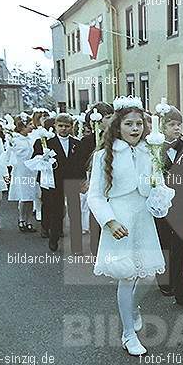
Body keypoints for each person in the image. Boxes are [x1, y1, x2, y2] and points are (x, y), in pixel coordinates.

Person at [87, 97, 167, 356]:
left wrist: (159, 190)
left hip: (143, 217)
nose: (135, 129)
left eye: (139, 124)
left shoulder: (150, 151)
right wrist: (109, 221)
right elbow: (96, 195)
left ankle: (133, 307)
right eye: (129, 124)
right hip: (119, 219)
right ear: (118, 127)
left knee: (149, 274)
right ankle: (128, 334)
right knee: (126, 275)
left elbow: (156, 187)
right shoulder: (104, 156)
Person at [154, 106, 183, 305]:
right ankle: (165, 281)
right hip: (161, 203)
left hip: (182, 202)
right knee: (164, 242)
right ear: (162, 127)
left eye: (179, 124)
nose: (176, 128)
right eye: (171, 124)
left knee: (181, 244)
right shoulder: (153, 147)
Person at [33, 113, 84, 253]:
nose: (63, 129)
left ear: (72, 127)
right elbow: (36, 161)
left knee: (75, 212)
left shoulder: (77, 144)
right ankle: (54, 237)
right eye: (60, 126)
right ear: (55, 126)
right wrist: (43, 159)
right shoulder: (46, 143)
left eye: (67, 126)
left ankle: (76, 244)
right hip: (53, 182)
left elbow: (81, 164)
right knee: (56, 211)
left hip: (72, 181)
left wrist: (82, 181)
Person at [78, 102, 115, 255]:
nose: (111, 120)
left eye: (112, 116)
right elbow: (80, 163)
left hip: (112, 180)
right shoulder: (87, 141)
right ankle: (97, 245)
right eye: (107, 117)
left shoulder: (116, 138)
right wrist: (84, 180)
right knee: (96, 210)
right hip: (93, 178)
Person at [7, 117, 38, 232]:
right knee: (23, 197)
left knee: (31, 197)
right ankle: (21, 219)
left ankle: (29, 220)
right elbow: (10, 155)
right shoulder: (15, 140)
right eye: (29, 124)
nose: (32, 126)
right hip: (21, 170)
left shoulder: (32, 138)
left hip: (31, 170)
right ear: (22, 127)